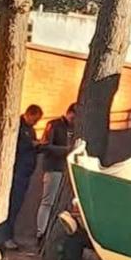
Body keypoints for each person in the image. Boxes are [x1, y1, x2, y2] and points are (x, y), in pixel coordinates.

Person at [0, 104, 43, 250]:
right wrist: (32, 144)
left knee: (16, 207)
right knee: (12, 205)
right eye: (34, 120)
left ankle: (9, 236)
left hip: (25, 173)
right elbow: (16, 147)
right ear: (29, 114)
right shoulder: (18, 126)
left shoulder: (30, 129)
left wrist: (38, 146)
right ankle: (5, 237)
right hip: (17, 173)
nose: (35, 123)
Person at [36, 103, 76, 244]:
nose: (74, 121)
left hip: (66, 170)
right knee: (48, 202)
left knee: (60, 204)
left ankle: (51, 232)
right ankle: (41, 233)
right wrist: (66, 150)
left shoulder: (74, 128)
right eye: (73, 117)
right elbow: (44, 146)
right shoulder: (54, 125)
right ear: (69, 112)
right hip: (53, 169)